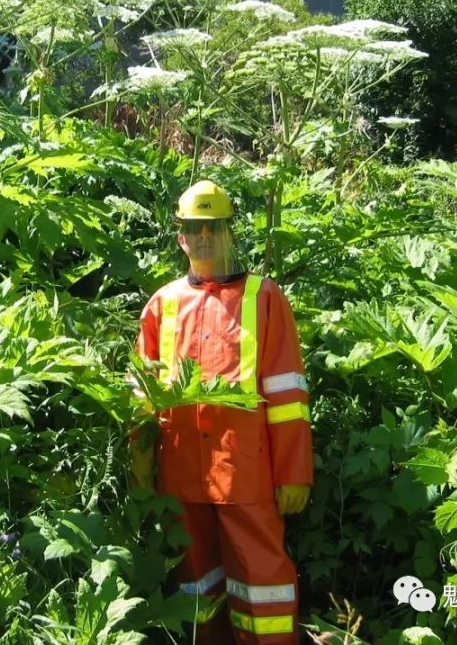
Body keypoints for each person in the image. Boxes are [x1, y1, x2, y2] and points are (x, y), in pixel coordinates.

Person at [135, 179, 313, 644]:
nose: (205, 237)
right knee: (194, 584)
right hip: (180, 474)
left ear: (230, 232)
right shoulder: (162, 305)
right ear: (181, 237)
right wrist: (140, 463)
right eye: (195, 228)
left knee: (263, 582)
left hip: (246, 473)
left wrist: (294, 472)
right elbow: (142, 395)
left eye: (213, 227)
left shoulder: (264, 297)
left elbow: (287, 392)